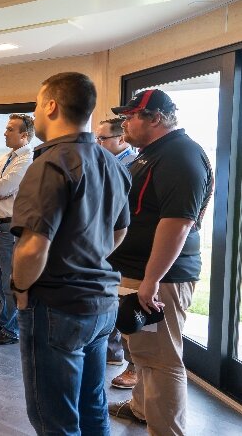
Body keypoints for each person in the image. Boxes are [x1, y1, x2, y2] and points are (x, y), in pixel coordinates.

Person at [11, 72, 131, 434]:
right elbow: (120, 229)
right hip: (101, 306)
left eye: (36, 103)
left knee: (54, 420)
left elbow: (33, 248)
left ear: (51, 105)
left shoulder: (49, 164)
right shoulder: (112, 163)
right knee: (93, 408)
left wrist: (19, 291)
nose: (36, 110)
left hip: (57, 308)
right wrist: (88, 258)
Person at [107, 89, 213, 435]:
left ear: (155, 118)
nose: (125, 123)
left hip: (160, 279)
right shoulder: (149, 154)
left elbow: (178, 223)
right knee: (141, 351)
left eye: (131, 116)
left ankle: (165, 429)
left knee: (161, 360)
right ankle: (141, 410)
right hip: (138, 273)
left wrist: (151, 282)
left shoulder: (180, 154)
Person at [0, 114, 34, 345]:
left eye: (10, 129)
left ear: (24, 135)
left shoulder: (27, 159)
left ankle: (12, 330)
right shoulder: (5, 158)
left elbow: (6, 186)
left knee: (9, 281)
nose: (4, 133)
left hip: (11, 226)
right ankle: (5, 320)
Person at [96, 116, 139, 388]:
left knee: (125, 305)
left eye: (102, 139)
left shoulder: (130, 166)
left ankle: (132, 366)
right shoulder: (110, 163)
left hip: (124, 246)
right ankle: (112, 354)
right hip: (110, 244)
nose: (97, 143)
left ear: (120, 139)